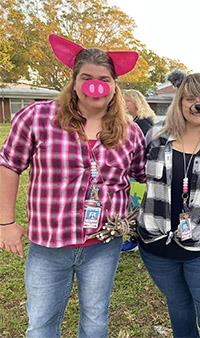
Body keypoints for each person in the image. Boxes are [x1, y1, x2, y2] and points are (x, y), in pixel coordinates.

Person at [0, 34, 145, 338]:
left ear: (114, 84)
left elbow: (144, 177)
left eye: (104, 78)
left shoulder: (130, 132)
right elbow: (9, 165)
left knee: (95, 322)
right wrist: (6, 222)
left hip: (103, 246)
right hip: (49, 245)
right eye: (87, 77)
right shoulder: (38, 118)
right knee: (41, 325)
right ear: (75, 81)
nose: (96, 85)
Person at [136, 69, 200, 337]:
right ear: (179, 102)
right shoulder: (154, 136)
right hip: (157, 247)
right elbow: (132, 173)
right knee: (180, 310)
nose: (197, 104)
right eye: (190, 98)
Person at [120, 89, 157, 253]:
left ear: (136, 102)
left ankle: (136, 239)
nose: (124, 104)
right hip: (133, 173)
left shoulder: (143, 124)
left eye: (127, 101)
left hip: (140, 174)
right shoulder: (135, 121)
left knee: (136, 208)